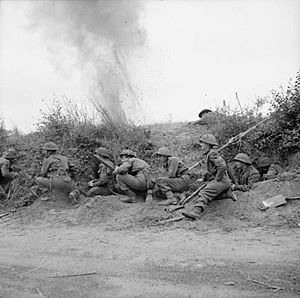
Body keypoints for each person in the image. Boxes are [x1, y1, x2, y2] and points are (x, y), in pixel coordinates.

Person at [182, 134, 231, 220]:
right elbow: (212, 171)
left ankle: (196, 212)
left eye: (202, 143)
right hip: (222, 181)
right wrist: (204, 179)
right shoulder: (209, 154)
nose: (200, 145)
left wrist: (217, 179)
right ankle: (225, 194)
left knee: (204, 192)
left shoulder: (212, 153)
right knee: (208, 192)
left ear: (208, 144)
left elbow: (222, 166)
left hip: (222, 181)